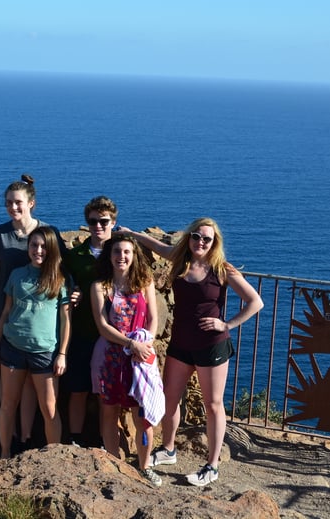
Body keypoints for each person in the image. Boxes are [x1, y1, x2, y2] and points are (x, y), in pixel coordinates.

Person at [123, 218, 263, 487]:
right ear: (189, 238)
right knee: (169, 398)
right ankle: (168, 449)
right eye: (196, 236)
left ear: (214, 243)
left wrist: (226, 323)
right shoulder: (181, 259)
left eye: (207, 239)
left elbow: (255, 301)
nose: (200, 242)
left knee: (213, 405)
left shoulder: (222, 269)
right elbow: (156, 245)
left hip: (211, 345)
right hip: (181, 343)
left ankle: (212, 466)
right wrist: (132, 234)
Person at [0, 174, 65, 451]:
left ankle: (28, 439)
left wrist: (72, 293)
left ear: (31, 203)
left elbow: (62, 272)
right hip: (10, 320)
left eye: (17, 202)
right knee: (11, 394)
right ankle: (13, 446)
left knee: (36, 393)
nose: (12, 207)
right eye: (8, 203)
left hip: (41, 330)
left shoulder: (47, 234)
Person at [0, 226, 70, 459]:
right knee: (7, 405)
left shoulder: (60, 278)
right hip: (12, 347)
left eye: (44, 246)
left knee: (50, 409)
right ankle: (5, 454)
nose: (38, 250)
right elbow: (6, 312)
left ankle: (53, 460)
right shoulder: (17, 275)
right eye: (34, 245)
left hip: (44, 351)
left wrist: (62, 353)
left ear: (52, 249)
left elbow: (66, 320)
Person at [90, 234, 162, 487]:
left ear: (134, 256)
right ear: (109, 256)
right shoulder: (101, 287)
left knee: (142, 416)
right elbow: (103, 326)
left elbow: (153, 318)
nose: (122, 256)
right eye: (117, 252)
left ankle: (144, 467)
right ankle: (112, 465)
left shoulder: (144, 282)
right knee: (109, 412)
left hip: (139, 360)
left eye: (127, 252)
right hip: (110, 358)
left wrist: (145, 345)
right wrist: (130, 344)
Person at [62, 195, 118, 447]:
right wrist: (71, 295)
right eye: (93, 221)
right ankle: (75, 439)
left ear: (113, 222)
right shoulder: (75, 256)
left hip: (114, 333)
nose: (98, 226)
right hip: (83, 330)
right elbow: (63, 285)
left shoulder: (121, 253)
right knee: (78, 388)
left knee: (110, 392)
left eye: (104, 221)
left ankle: (108, 442)